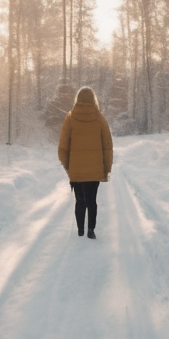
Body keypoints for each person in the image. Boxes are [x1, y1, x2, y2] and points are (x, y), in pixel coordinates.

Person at [57, 86, 113, 239]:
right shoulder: (100, 120)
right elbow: (107, 147)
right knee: (92, 200)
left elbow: (62, 148)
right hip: (95, 171)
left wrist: (69, 167)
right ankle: (91, 230)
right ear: (93, 100)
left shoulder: (69, 118)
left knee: (80, 200)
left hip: (76, 171)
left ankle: (80, 229)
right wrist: (106, 169)